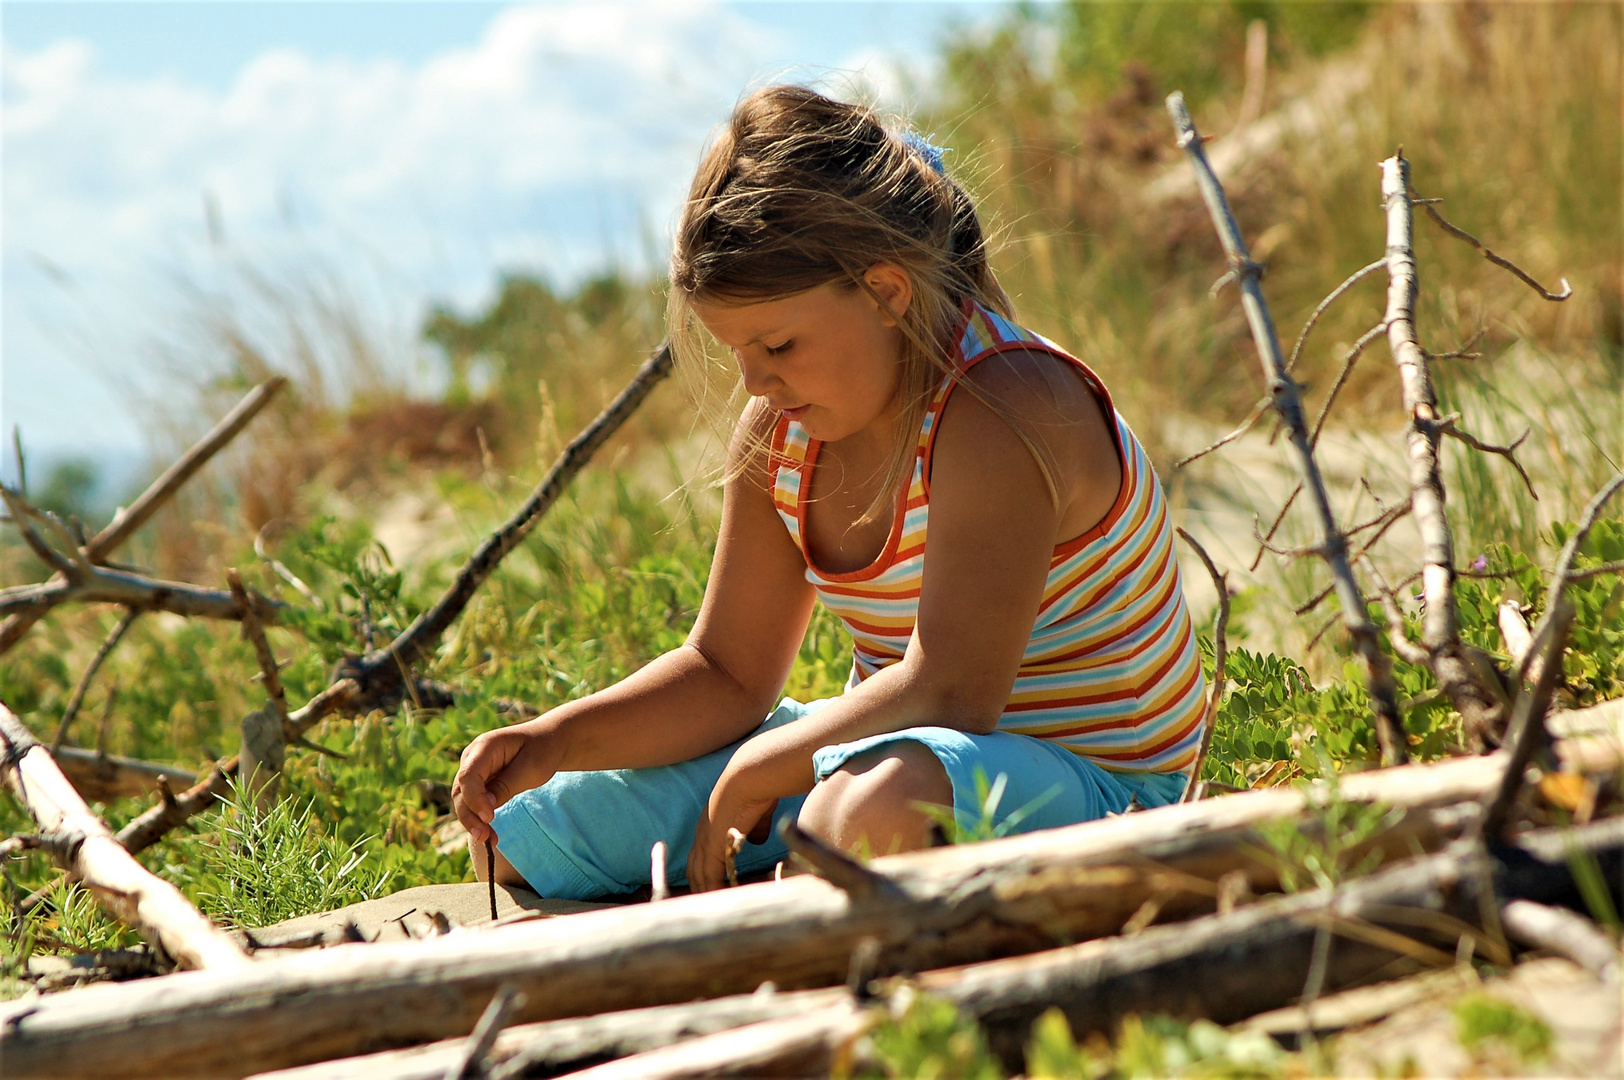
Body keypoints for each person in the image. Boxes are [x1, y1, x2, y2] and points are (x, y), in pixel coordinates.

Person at [452, 84, 1207, 900]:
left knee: (856, 819)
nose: (753, 380)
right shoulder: (784, 433)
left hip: (1102, 790)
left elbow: (953, 688)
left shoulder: (1005, 404)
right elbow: (728, 671)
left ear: (886, 292)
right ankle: (793, 867)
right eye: (735, 351)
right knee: (525, 831)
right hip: (887, 758)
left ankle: (795, 874)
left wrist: (756, 772)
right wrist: (556, 739)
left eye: (777, 343)